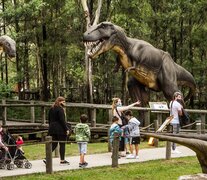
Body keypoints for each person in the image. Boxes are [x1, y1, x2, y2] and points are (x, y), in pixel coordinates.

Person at [44, 96, 70, 165]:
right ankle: (62, 160)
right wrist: (66, 129)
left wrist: (51, 127)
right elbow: (62, 120)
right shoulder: (60, 109)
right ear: (60, 102)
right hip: (60, 129)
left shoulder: (51, 108)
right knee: (62, 144)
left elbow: (49, 119)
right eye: (63, 102)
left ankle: (46, 158)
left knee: (54, 144)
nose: (64, 103)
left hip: (52, 128)